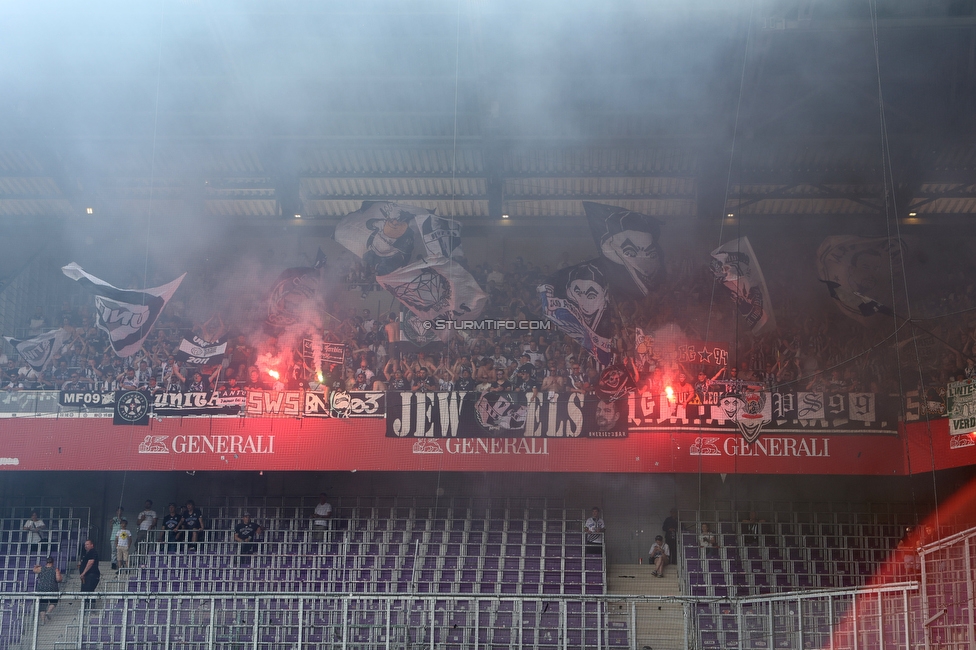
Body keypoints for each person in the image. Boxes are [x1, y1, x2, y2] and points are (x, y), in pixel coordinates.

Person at [33, 556, 63, 624]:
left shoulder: (41, 569)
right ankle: (48, 612)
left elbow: (34, 570)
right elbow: (58, 579)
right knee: (54, 600)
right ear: (53, 562)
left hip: (42, 589)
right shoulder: (55, 569)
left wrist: (36, 566)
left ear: (46, 562)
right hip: (52, 588)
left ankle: (43, 621)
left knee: (42, 605)